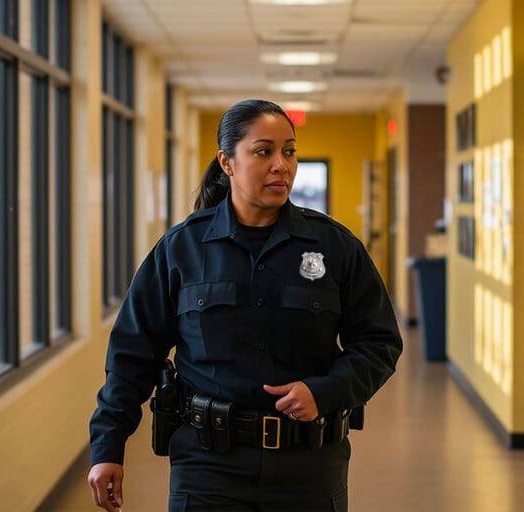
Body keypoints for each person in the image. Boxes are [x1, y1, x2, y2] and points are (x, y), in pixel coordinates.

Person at [87, 99, 403, 511]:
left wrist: (324, 391)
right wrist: (108, 445)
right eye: (263, 151)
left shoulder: (334, 247)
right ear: (227, 162)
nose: (281, 165)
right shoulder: (181, 249)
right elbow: (133, 354)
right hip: (207, 467)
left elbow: (380, 343)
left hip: (308, 468)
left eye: (289, 151)